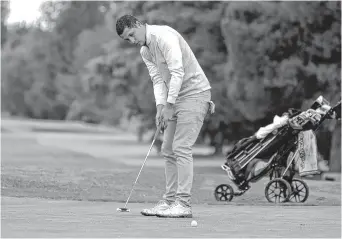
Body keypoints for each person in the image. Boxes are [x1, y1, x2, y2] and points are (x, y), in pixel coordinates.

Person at [116, 14, 214, 218]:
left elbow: (177, 72)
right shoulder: (145, 51)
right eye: (128, 40)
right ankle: (169, 201)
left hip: (195, 94)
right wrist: (160, 107)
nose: (132, 41)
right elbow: (157, 79)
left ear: (138, 25)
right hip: (174, 97)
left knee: (181, 147)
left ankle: (183, 204)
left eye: (132, 35)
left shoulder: (164, 36)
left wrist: (169, 105)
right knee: (167, 149)